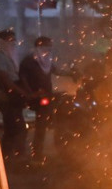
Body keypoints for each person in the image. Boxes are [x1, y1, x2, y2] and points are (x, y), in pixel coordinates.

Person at [18, 36, 73, 164]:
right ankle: (37, 154)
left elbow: (57, 71)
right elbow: (23, 79)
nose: (48, 49)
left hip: (48, 95)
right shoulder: (29, 61)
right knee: (41, 125)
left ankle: (60, 151)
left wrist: (71, 73)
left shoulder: (46, 60)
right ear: (38, 47)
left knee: (55, 122)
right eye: (45, 47)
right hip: (37, 98)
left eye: (50, 47)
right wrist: (31, 93)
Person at [0, 28, 31, 163]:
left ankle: (8, 158)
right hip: (6, 99)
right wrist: (22, 92)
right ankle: (8, 158)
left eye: (14, 40)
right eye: (10, 40)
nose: (13, 43)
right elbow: (5, 80)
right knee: (15, 130)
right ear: (2, 41)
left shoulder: (9, 57)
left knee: (14, 129)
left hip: (13, 99)